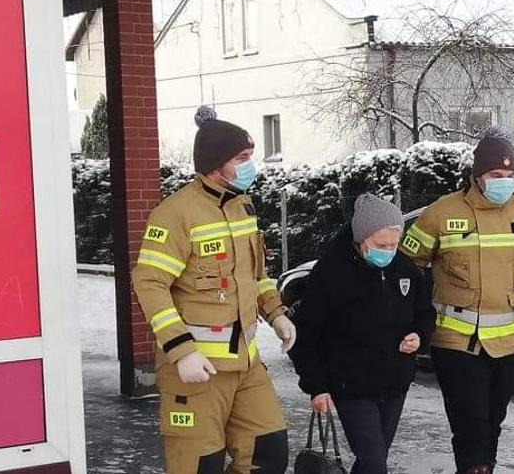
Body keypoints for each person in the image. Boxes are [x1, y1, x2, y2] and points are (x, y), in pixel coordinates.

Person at [134, 106, 298, 474]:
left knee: (269, 454)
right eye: (242, 158)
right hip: (197, 370)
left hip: (247, 363)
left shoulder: (243, 207)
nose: (249, 165)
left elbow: (254, 275)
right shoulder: (174, 213)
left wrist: (276, 313)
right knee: (199, 466)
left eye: (250, 157)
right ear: (216, 163)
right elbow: (150, 283)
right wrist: (181, 350)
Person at [400, 129, 514, 474]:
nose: (502, 182)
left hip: (508, 345)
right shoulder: (440, 213)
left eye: (509, 176)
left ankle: (482, 467)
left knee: (492, 423)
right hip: (457, 345)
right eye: (495, 175)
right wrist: (411, 323)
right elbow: (405, 269)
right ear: (477, 176)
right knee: (471, 427)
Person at [289, 193, 434, 474]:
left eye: (394, 244)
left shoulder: (405, 269)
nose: (388, 251)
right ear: (361, 239)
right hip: (350, 385)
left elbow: (424, 313)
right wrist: (316, 385)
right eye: (381, 245)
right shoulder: (331, 273)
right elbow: (304, 333)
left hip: (394, 382)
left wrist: (418, 335)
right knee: (374, 462)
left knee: (373, 459)